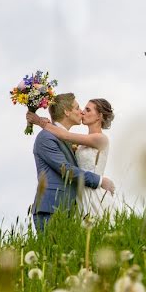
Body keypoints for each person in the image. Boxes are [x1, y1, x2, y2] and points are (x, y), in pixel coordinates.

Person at [31, 93, 115, 231]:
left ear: (99, 116)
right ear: (66, 112)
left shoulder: (100, 139)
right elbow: (66, 166)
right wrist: (100, 180)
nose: (82, 111)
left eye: (88, 110)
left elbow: (66, 135)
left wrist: (40, 122)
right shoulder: (51, 138)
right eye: (79, 108)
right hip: (67, 201)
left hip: (91, 194)